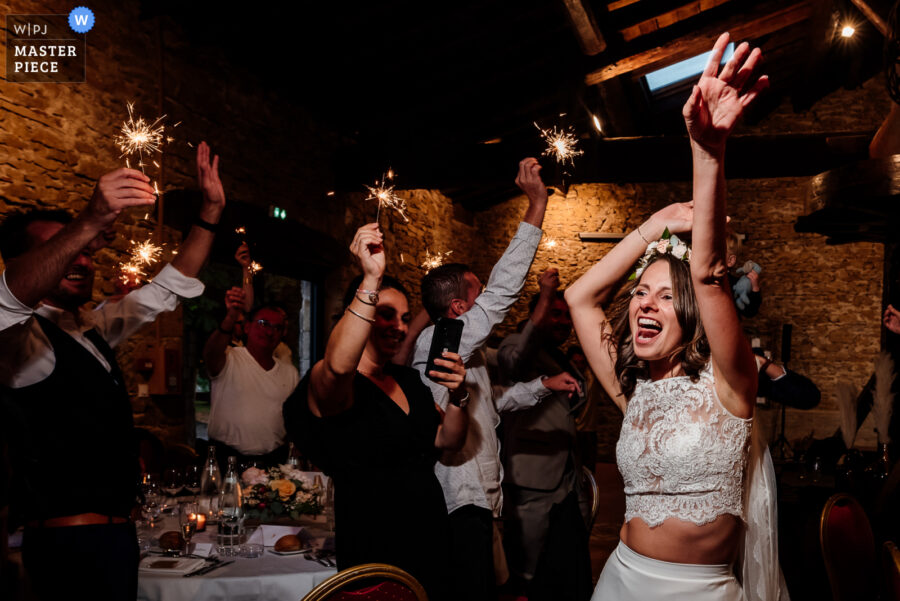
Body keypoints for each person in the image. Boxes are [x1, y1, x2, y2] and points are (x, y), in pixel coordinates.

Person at [566, 34, 786, 600]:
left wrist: (707, 153)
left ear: (691, 317)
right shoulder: (631, 388)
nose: (644, 303)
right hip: (618, 582)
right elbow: (579, 298)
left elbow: (710, 273)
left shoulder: (730, 384)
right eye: (641, 292)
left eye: (665, 297)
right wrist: (657, 222)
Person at [0, 142, 225, 600]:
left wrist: (211, 212)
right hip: (67, 549)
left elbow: (168, 286)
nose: (81, 259)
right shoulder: (16, 340)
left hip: (113, 540)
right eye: (66, 249)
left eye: (85, 250)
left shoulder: (90, 327)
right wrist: (90, 221)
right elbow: (7, 298)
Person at [282, 223, 468, 600]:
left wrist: (461, 397)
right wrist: (370, 277)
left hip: (430, 532)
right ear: (360, 313)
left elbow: (447, 439)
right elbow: (337, 367)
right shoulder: (332, 381)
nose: (398, 327)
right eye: (385, 314)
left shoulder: (407, 380)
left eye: (403, 317)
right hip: (375, 541)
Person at [497, 268, 592, 601]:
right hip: (531, 480)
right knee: (526, 575)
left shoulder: (561, 356)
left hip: (566, 480)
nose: (564, 322)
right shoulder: (517, 347)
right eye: (555, 313)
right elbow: (514, 360)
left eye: (567, 316)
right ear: (536, 314)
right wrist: (546, 294)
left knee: (567, 571)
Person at [204, 287, 300, 467]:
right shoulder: (229, 359)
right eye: (263, 323)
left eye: (277, 327)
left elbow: (294, 420)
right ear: (247, 327)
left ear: (282, 335)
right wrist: (230, 317)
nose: (269, 331)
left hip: (273, 463)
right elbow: (210, 353)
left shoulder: (290, 373)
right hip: (227, 461)